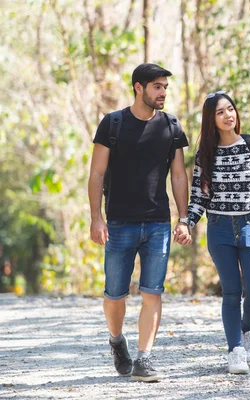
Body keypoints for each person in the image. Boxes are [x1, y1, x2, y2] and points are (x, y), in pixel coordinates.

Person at [88, 63, 192, 382]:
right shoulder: (113, 124)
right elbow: (97, 173)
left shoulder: (171, 126)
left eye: (164, 87)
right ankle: (117, 341)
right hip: (119, 223)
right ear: (139, 88)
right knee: (115, 295)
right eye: (157, 87)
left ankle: (144, 359)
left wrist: (184, 218)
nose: (162, 92)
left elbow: (178, 175)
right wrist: (96, 218)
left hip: (158, 223)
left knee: (152, 292)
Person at [188, 91, 250, 374]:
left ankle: (247, 329)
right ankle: (235, 351)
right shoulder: (205, 154)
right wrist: (186, 223)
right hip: (219, 229)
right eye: (220, 112)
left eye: (230, 109)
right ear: (210, 120)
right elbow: (198, 196)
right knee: (231, 292)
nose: (228, 115)